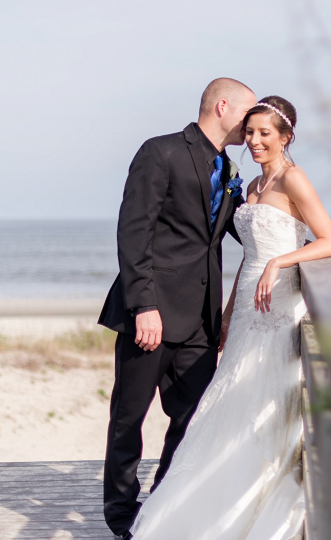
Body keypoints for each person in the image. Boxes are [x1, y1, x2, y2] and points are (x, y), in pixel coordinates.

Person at [129, 96, 331, 540]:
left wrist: (279, 263)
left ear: (286, 138)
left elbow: (330, 242)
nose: (255, 141)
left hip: (279, 306)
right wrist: (227, 314)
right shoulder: (251, 188)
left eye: (266, 133)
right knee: (228, 403)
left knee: (262, 399)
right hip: (246, 307)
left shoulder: (293, 179)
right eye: (250, 132)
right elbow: (247, 257)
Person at [98, 78, 257, 540]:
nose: (250, 127)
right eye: (247, 115)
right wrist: (143, 305)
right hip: (151, 314)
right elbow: (134, 233)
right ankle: (121, 518)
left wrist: (295, 241)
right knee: (129, 418)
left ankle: (163, 503)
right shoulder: (160, 152)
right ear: (223, 106)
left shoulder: (228, 170)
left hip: (202, 321)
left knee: (192, 421)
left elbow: (241, 231)